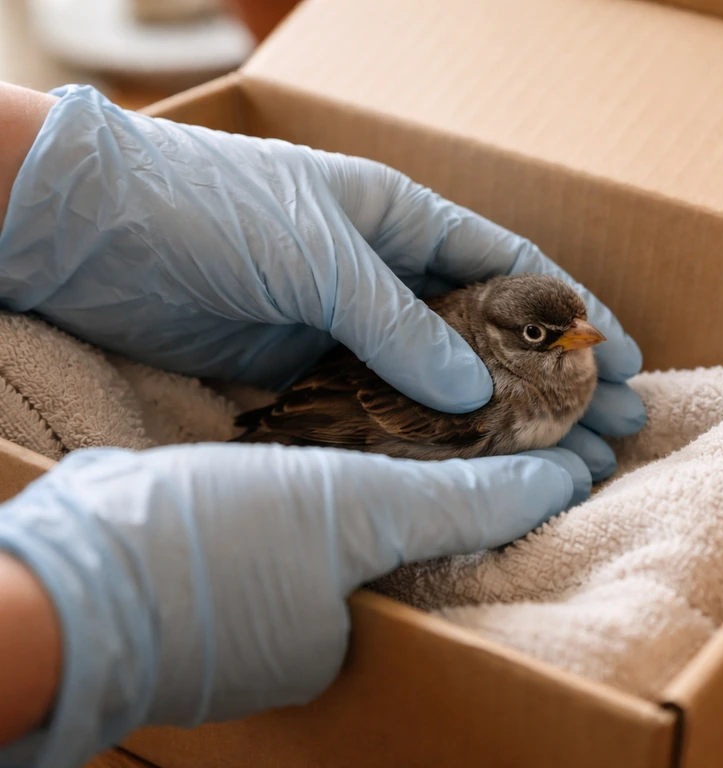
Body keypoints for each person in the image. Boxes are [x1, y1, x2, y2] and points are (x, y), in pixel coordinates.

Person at [0, 82, 645, 768]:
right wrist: (94, 602)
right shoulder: (488, 393)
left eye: (574, 325)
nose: (581, 339)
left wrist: (63, 177)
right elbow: (344, 408)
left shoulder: (550, 339)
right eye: (549, 335)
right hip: (330, 420)